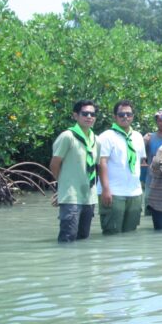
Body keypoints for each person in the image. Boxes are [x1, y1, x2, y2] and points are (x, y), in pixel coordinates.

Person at [50, 100, 100, 242]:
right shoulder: (68, 136)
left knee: (84, 238)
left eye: (92, 114)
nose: (89, 116)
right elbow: (54, 164)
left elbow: (95, 168)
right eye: (85, 114)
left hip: (89, 197)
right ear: (75, 116)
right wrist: (63, 186)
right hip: (71, 196)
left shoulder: (96, 140)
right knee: (68, 238)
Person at [97, 100, 146, 235]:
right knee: (112, 233)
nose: (125, 117)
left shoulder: (137, 136)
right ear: (115, 117)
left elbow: (140, 163)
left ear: (133, 116)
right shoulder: (106, 136)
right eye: (121, 114)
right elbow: (102, 163)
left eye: (128, 114)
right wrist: (106, 190)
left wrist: (141, 189)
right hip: (113, 193)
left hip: (134, 193)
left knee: (131, 234)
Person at [142, 109, 162, 199]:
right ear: (157, 122)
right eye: (160, 121)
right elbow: (140, 155)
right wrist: (144, 142)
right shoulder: (149, 137)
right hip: (151, 179)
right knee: (149, 208)